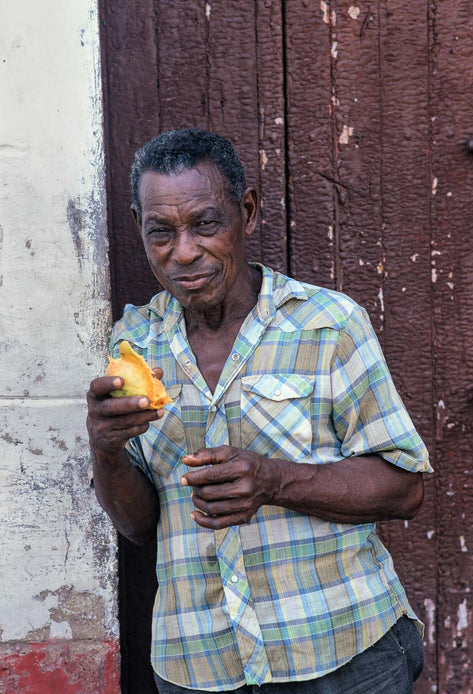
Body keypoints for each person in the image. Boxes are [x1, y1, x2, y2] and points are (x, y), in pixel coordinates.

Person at [87, 128, 432, 694]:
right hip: (198, 664)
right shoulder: (133, 345)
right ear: (139, 229)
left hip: (342, 653)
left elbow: (405, 488)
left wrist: (273, 480)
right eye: (161, 233)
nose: (185, 251)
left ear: (246, 212)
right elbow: (141, 524)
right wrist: (106, 450)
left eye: (205, 223)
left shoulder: (327, 324)